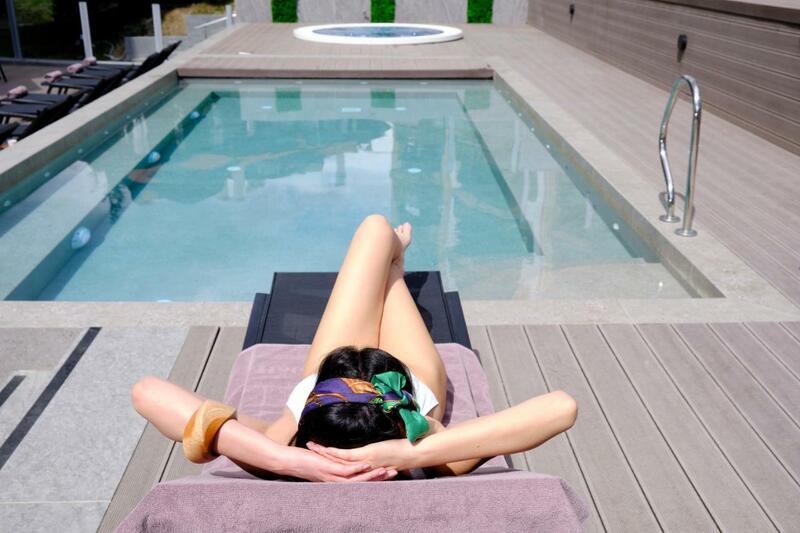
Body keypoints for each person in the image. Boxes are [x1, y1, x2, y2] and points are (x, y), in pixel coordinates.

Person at [131, 214, 578, 482]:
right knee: (379, 234)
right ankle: (395, 268)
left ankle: (391, 261)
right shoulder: (440, 455)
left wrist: (285, 460)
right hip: (411, 373)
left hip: (340, 372)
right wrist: (413, 451)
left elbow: (148, 392)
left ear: (307, 428)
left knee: (375, 229)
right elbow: (560, 408)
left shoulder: (282, 443)